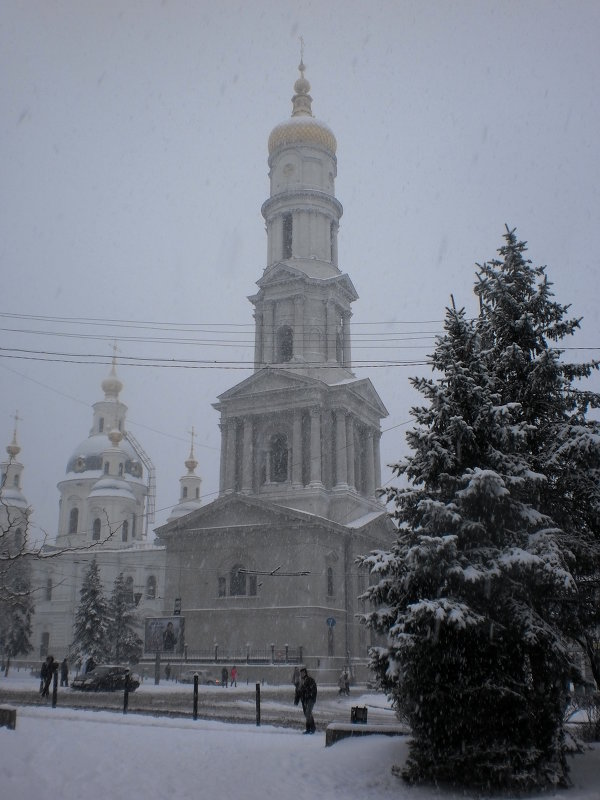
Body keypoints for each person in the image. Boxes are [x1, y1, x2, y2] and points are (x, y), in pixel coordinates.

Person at [294, 666, 317, 734]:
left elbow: (314, 689)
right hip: (304, 700)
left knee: (308, 713)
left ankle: (312, 728)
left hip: (310, 699)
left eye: (303, 673)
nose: (302, 674)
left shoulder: (310, 680)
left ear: (305, 673)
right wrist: (296, 700)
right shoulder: (300, 682)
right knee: (307, 714)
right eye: (301, 673)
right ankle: (309, 729)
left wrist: (310, 695)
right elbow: (298, 692)